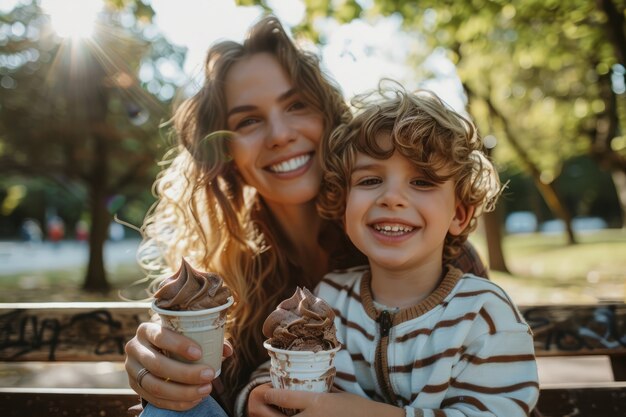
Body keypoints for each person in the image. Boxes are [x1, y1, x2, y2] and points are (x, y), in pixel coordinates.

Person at [124, 16, 489, 417]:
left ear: (330, 118)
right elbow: (213, 398)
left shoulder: (427, 252)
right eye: (248, 120)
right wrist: (162, 375)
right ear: (226, 155)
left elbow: (498, 399)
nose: (279, 134)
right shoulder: (225, 274)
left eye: (296, 105)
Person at [244, 86, 539, 416]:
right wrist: (260, 395)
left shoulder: (483, 313)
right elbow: (281, 365)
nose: (392, 198)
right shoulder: (329, 300)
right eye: (370, 181)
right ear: (344, 206)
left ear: (459, 214)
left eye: (422, 182)